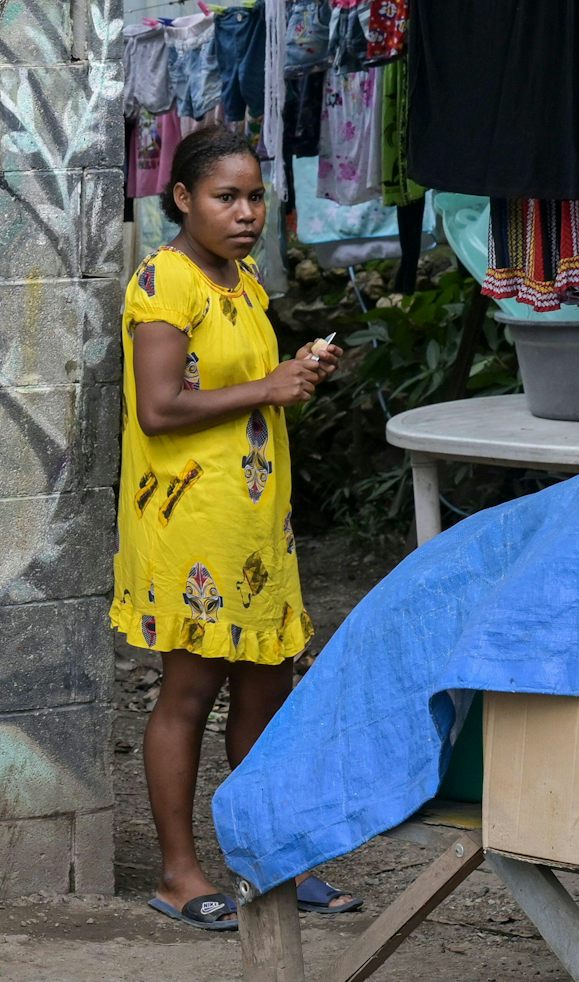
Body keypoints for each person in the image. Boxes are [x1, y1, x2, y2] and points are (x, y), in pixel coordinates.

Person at [114, 125, 360, 931]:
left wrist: (296, 377)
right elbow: (160, 408)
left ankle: (270, 861)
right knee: (190, 692)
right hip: (192, 522)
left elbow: (247, 385)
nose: (246, 211)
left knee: (268, 686)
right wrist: (267, 389)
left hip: (255, 520)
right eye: (227, 197)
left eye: (255, 196)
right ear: (182, 199)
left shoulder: (243, 280)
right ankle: (180, 873)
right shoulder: (165, 283)